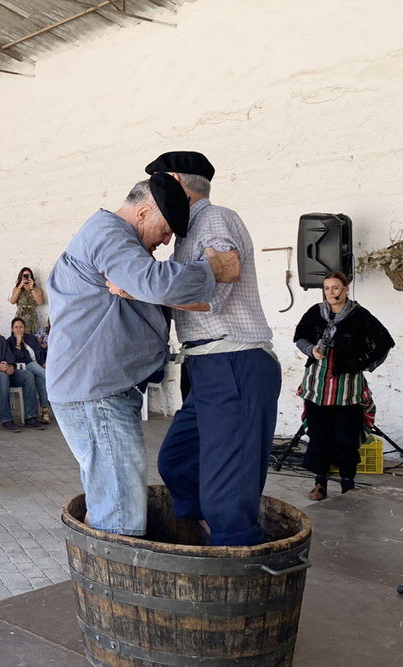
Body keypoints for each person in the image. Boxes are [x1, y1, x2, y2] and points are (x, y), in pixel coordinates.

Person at [47, 173, 238, 536]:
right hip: (97, 394)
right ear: (143, 212)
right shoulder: (109, 234)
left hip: (97, 391)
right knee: (122, 518)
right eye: (166, 230)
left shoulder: (111, 236)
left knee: (109, 501)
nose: (167, 241)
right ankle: (113, 591)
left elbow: (147, 286)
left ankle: (95, 580)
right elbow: (155, 282)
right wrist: (216, 268)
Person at [135, 153, 280, 547]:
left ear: (177, 182)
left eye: (158, 183)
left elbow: (215, 286)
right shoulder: (189, 230)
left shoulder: (212, 219)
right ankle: (215, 541)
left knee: (227, 498)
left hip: (233, 361)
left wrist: (138, 286)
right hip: (207, 366)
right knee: (178, 463)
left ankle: (237, 561)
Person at [293, 271, 394, 499]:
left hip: (347, 388)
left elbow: (383, 342)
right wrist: (311, 350)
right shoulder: (314, 314)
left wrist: (370, 365)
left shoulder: (359, 316)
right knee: (319, 435)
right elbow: (300, 338)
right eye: (327, 288)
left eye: (336, 287)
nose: (331, 292)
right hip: (318, 386)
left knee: (345, 436)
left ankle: (348, 483)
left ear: (346, 289)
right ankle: (320, 484)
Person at [8, 317, 50, 424]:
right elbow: (14, 358)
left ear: (24, 328)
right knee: (33, 365)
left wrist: (44, 362)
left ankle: (45, 411)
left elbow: (40, 352)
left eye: (21, 327)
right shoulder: (10, 341)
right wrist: (18, 343)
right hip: (24, 368)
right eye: (16, 327)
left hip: (38, 368)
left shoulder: (31, 338)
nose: (19, 330)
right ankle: (51, 380)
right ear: (12, 329)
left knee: (40, 379)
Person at [9, 267, 43, 335]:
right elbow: (12, 301)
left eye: (28, 275)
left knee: (33, 336)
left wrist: (32, 288)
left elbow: (39, 302)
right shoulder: (16, 289)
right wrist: (20, 286)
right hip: (20, 316)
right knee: (19, 335)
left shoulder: (37, 289)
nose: (26, 278)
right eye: (24, 275)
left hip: (32, 317)